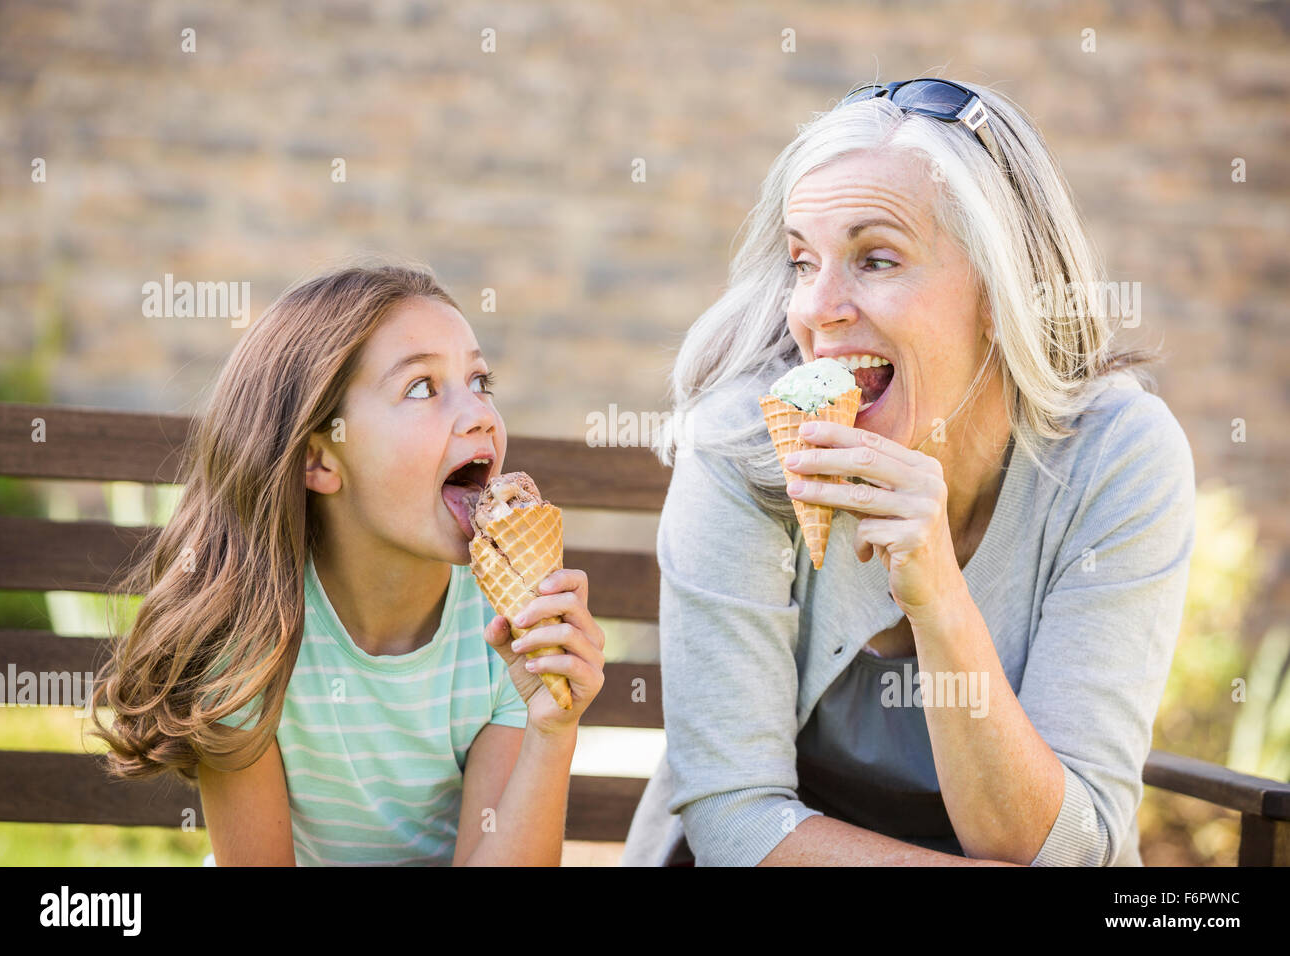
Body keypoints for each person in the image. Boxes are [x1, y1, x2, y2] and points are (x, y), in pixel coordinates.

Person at [621, 79, 1195, 866]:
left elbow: (1062, 851)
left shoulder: (1117, 459)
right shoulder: (745, 446)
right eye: (802, 260)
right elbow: (735, 820)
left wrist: (939, 596)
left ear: (1004, 290)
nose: (816, 309)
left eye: (876, 258)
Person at [89, 260, 605, 865]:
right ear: (320, 460)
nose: (482, 415)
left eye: (480, 382)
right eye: (422, 388)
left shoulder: (506, 628)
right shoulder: (250, 636)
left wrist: (552, 728)